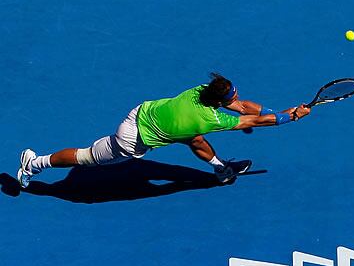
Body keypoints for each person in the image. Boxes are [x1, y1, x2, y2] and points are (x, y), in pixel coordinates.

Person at [16, 73, 311, 188]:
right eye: (229, 98)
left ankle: (221, 169)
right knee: (85, 157)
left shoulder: (200, 91)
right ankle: (34, 164)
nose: (234, 100)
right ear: (219, 102)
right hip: (130, 141)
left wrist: (280, 111)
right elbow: (251, 120)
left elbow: (245, 107)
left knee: (193, 139)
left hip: (140, 113)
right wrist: (291, 118)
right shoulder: (210, 120)